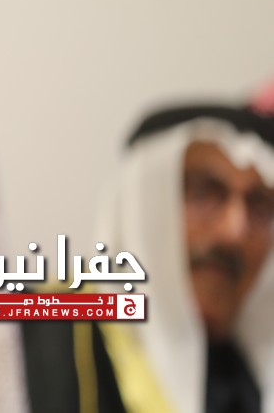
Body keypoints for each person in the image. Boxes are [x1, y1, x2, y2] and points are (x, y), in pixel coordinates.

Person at [23, 82, 274, 413]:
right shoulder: (45, 328)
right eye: (204, 193)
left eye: (259, 205)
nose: (235, 232)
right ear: (144, 205)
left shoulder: (250, 378)